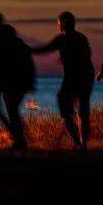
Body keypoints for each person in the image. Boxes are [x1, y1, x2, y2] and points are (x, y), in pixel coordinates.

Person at [31, 11, 95, 150]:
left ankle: (78, 142)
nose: (58, 26)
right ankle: (83, 144)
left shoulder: (62, 38)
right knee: (83, 111)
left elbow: (45, 49)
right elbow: (88, 54)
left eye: (58, 23)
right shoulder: (81, 37)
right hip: (87, 75)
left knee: (65, 109)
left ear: (62, 24)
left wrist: (29, 50)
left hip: (73, 78)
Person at [0, 12, 33, 151]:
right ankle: (15, 139)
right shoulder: (13, 40)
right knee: (6, 111)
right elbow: (26, 60)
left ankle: (0, 140)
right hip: (9, 79)